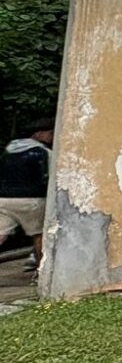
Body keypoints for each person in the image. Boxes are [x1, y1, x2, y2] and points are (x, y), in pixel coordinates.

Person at [0, 117, 54, 273]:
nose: (51, 136)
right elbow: (50, 176)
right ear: (38, 134)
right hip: (31, 200)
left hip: (3, 199)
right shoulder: (43, 152)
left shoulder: (9, 151)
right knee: (39, 235)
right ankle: (42, 270)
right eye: (49, 133)